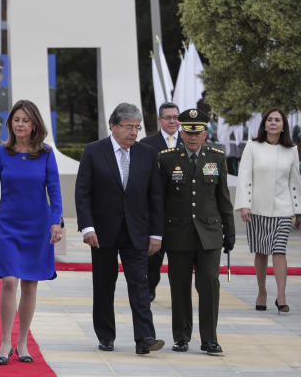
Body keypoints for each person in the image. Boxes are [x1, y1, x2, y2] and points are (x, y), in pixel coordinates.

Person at [75, 102, 164, 354]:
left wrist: (156, 233)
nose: (134, 132)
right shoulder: (94, 151)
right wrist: (86, 227)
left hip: (137, 231)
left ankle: (145, 338)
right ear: (113, 126)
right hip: (102, 232)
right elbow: (83, 192)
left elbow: (155, 196)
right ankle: (106, 335)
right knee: (104, 285)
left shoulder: (147, 154)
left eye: (137, 127)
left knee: (140, 284)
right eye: (128, 127)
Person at [0, 100, 63, 365]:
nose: (20, 124)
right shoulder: (2, 154)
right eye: (16, 120)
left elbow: (55, 191)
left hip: (37, 227)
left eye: (25, 120)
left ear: (35, 123)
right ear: (10, 124)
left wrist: (56, 221)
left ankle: (23, 341)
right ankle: (5, 341)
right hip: (8, 227)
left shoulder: (46, 153)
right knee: (9, 282)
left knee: (29, 284)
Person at [159, 108, 235, 354]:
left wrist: (229, 232)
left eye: (197, 133)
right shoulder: (167, 158)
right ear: (181, 132)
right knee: (179, 287)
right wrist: (157, 233)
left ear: (205, 134)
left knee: (209, 286)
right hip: (178, 233)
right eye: (188, 133)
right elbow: (160, 199)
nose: (192, 137)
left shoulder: (217, 157)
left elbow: (223, 198)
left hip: (209, 234)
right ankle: (181, 336)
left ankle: (209, 339)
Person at [234, 107, 301, 314]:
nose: (273, 123)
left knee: (279, 250)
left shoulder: (291, 150)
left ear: (283, 127)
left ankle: (281, 297)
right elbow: (244, 177)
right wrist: (244, 204)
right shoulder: (253, 146)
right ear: (264, 124)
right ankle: (262, 292)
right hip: (257, 209)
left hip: (283, 209)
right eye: (269, 119)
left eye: (277, 120)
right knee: (262, 251)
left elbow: (295, 182)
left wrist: (298, 211)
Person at [139, 102, 180, 303]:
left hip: (181, 213)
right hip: (156, 212)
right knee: (153, 259)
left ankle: (179, 294)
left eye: (175, 117)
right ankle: (149, 289)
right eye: (168, 117)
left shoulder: (188, 141)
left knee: (180, 260)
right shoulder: (147, 144)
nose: (173, 121)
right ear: (160, 120)